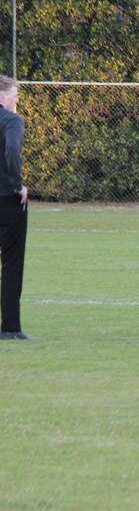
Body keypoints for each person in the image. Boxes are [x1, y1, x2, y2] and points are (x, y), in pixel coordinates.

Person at [0, 76, 29, 341]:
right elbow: (11, 150)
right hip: (7, 199)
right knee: (11, 262)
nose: (17, 99)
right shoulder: (12, 121)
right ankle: (10, 327)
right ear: (2, 98)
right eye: (14, 94)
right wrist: (18, 185)